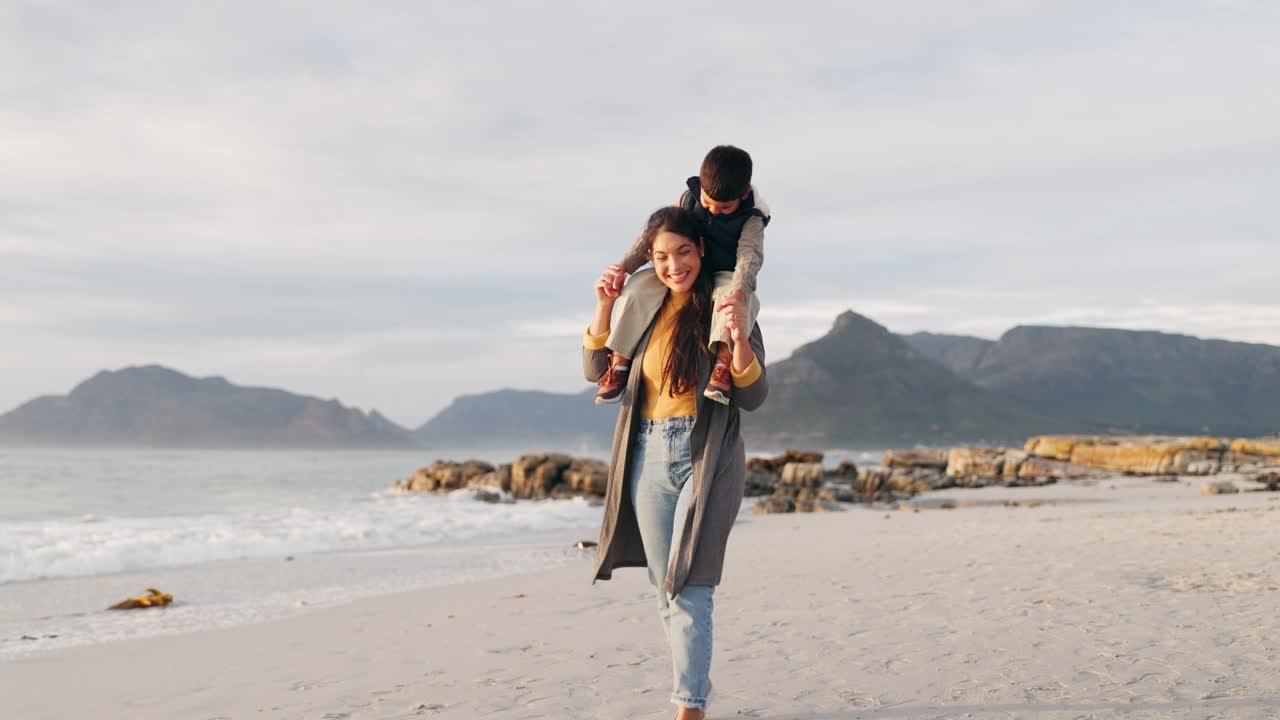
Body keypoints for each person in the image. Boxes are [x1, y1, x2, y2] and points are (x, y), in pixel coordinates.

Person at [582, 205, 769, 719]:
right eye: (661, 256)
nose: (672, 265)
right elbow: (596, 368)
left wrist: (735, 341)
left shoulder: (728, 302)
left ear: (701, 250)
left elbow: (754, 396)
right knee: (661, 587)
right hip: (645, 452)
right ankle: (696, 673)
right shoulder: (643, 304)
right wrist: (603, 306)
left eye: (683, 252)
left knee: (688, 582)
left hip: (705, 455)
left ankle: (690, 706)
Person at [594, 145, 770, 407]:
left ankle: (722, 362)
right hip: (686, 268)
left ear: (744, 195)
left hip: (725, 274)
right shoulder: (688, 199)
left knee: (731, 299)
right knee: (638, 284)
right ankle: (619, 361)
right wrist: (623, 268)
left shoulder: (753, 217)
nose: (712, 212)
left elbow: (749, 258)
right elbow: (654, 238)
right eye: (708, 203)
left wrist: (740, 293)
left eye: (723, 209)